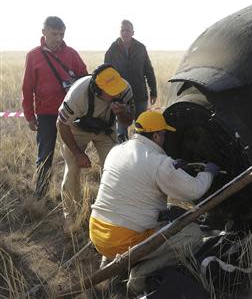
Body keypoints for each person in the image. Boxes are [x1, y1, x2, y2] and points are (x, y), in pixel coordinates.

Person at [89, 110, 220, 294]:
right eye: (164, 135)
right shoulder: (158, 163)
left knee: (162, 213)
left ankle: (110, 264)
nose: (165, 139)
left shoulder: (116, 150)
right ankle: (138, 277)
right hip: (124, 240)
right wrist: (208, 173)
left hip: (98, 233)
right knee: (193, 234)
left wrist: (172, 167)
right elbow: (194, 190)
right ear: (156, 135)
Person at [57, 64, 135, 220]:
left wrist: (122, 112)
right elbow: (61, 124)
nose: (117, 92)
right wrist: (78, 154)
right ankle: (71, 214)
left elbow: (128, 121)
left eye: (117, 88)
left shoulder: (125, 88)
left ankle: (107, 210)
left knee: (112, 168)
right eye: (111, 90)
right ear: (97, 89)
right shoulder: (78, 93)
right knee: (72, 169)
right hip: (76, 129)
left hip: (106, 130)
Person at [22, 16, 88, 198]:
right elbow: (27, 88)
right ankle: (40, 195)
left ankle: (74, 196)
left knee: (75, 154)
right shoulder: (33, 55)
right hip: (46, 114)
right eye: (54, 34)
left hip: (71, 114)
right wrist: (29, 116)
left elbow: (85, 79)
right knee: (45, 155)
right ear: (44, 32)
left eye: (61, 34)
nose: (59, 38)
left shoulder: (72, 54)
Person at [105, 19, 157, 142]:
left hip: (139, 95)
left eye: (128, 30)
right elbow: (106, 75)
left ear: (133, 32)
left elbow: (148, 70)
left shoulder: (141, 48)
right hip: (120, 97)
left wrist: (153, 91)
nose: (125, 33)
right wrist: (109, 98)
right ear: (119, 32)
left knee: (141, 129)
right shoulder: (112, 50)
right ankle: (124, 156)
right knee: (121, 131)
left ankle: (139, 154)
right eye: (122, 30)